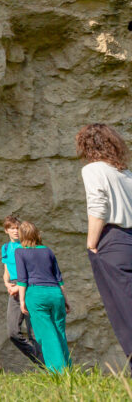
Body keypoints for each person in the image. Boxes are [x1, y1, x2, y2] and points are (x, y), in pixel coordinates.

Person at [77, 123, 132, 365]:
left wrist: (91, 243)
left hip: (113, 240)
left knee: (122, 309)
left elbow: (98, 206)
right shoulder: (126, 173)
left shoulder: (93, 170)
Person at [14, 221, 71, 372]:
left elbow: (22, 280)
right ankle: (69, 371)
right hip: (55, 294)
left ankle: (59, 373)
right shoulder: (48, 251)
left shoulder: (20, 252)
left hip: (36, 295)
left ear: (21, 235)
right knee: (59, 332)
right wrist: (66, 299)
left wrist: (21, 301)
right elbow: (59, 278)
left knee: (45, 335)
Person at [0, 215, 42, 366]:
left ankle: (48, 368)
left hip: (29, 287)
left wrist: (19, 286)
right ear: (6, 230)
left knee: (34, 333)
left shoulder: (26, 246)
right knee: (12, 332)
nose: (16, 231)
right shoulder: (5, 248)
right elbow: (6, 270)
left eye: (18, 228)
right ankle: (41, 361)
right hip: (14, 289)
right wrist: (7, 284)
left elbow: (33, 270)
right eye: (12, 228)